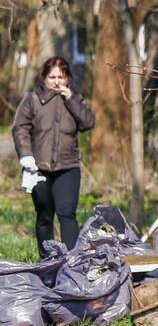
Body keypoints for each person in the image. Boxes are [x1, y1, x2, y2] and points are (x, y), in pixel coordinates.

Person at [12, 56, 96, 256]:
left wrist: (71, 99)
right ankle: (47, 261)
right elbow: (19, 128)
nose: (57, 81)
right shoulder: (33, 99)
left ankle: (73, 262)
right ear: (44, 78)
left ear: (68, 78)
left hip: (68, 167)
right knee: (44, 215)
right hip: (38, 168)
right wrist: (26, 156)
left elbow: (87, 123)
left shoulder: (74, 98)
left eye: (62, 76)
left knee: (67, 214)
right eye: (52, 77)